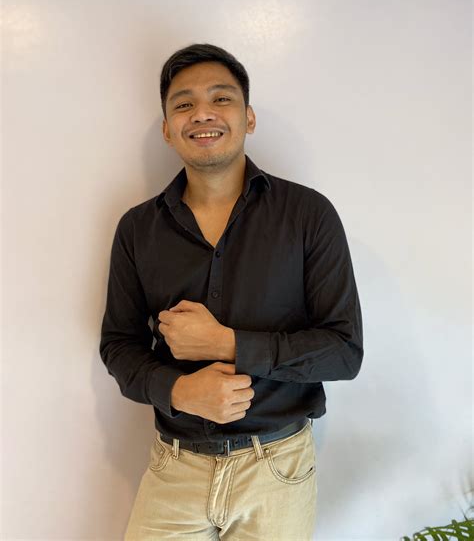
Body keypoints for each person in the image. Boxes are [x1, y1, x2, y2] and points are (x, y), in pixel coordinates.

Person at [99, 43, 363, 540]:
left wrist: (228, 344)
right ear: (167, 129)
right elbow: (118, 346)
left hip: (277, 467)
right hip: (173, 467)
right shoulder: (137, 229)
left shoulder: (309, 215)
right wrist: (179, 390)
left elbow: (343, 352)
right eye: (183, 104)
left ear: (249, 117)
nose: (202, 113)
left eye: (221, 99)